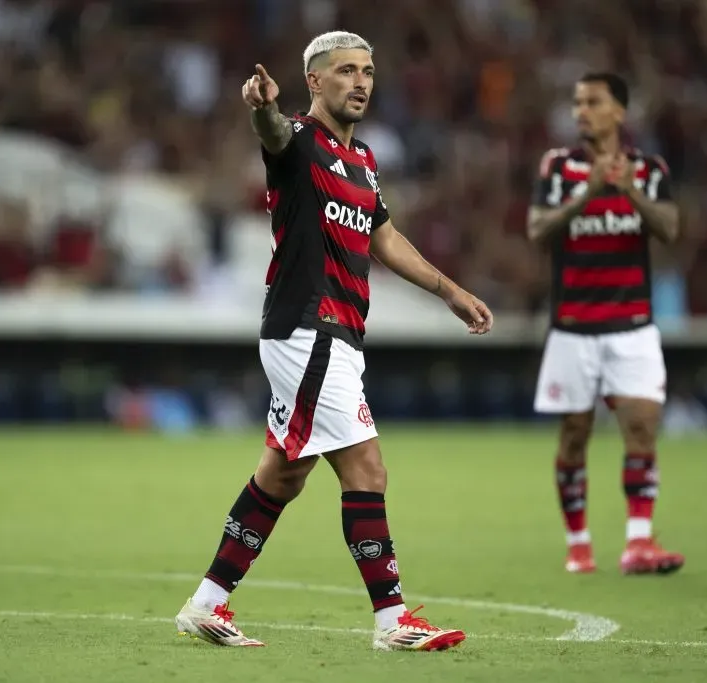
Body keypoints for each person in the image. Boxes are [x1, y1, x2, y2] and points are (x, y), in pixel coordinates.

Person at [174, 31, 493, 651]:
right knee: (367, 467)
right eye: (345, 71)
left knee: (283, 475)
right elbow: (271, 133)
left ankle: (207, 602)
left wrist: (451, 291)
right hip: (308, 328)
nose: (361, 82)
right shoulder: (297, 141)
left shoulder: (365, 160)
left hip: (333, 333)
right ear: (315, 82)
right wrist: (262, 107)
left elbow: (385, 238)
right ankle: (392, 620)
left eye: (368, 71)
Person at [526, 72, 685, 576]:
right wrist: (588, 194)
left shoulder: (648, 169)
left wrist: (628, 192)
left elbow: (669, 229)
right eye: (577, 103)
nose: (581, 112)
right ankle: (579, 544)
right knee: (575, 434)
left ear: (620, 111)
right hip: (574, 326)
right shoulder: (557, 167)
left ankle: (639, 543)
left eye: (592, 102)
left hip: (633, 324)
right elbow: (537, 231)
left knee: (641, 428)